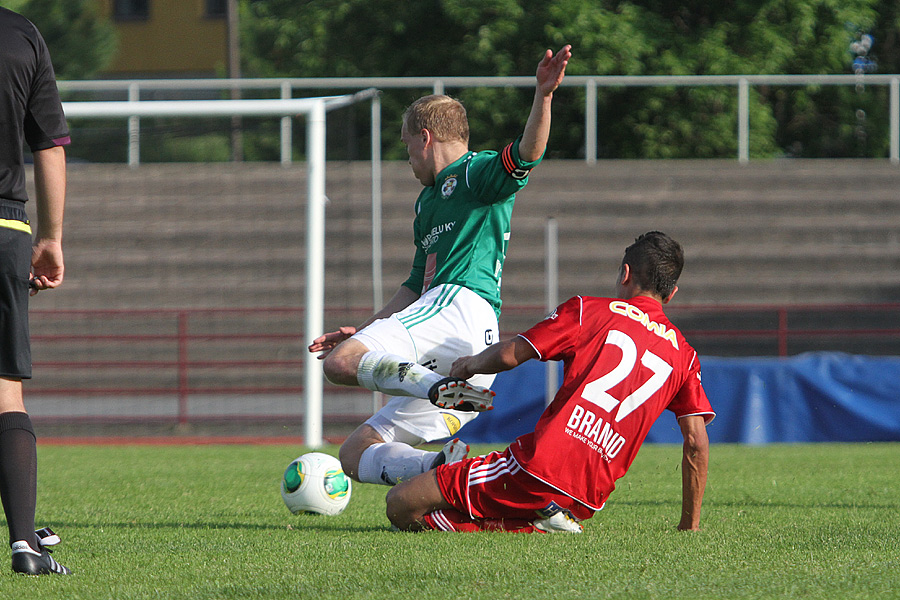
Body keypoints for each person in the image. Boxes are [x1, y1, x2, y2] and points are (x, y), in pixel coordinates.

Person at [308, 45, 572, 487]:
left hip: (458, 303)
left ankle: (436, 388)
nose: (407, 158)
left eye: (408, 147)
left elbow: (526, 155)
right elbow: (414, 287)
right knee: (354, 454)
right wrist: (366, 331)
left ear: (425, 137)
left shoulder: (474, 172)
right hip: (470, 354)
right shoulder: (428, 202)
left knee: (338, 365)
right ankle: (450, 470)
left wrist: (543, 96)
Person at [385, 232, 714, 533]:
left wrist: (468, 365)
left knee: (402, 504)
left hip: (536, 470)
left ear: (625, 273)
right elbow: (696, 442)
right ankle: (544, 519)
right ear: (671, 294)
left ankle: (531, 527)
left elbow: (512, 355)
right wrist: (690, 525)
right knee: (451, 507)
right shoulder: (684, 355)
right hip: (588, 497)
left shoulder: (589, 311)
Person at [0, 7, 72, 574]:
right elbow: (49, 144)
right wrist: (50, 238)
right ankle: (25, 545)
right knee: (5, 394)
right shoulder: (21, 33)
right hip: (4, 229)